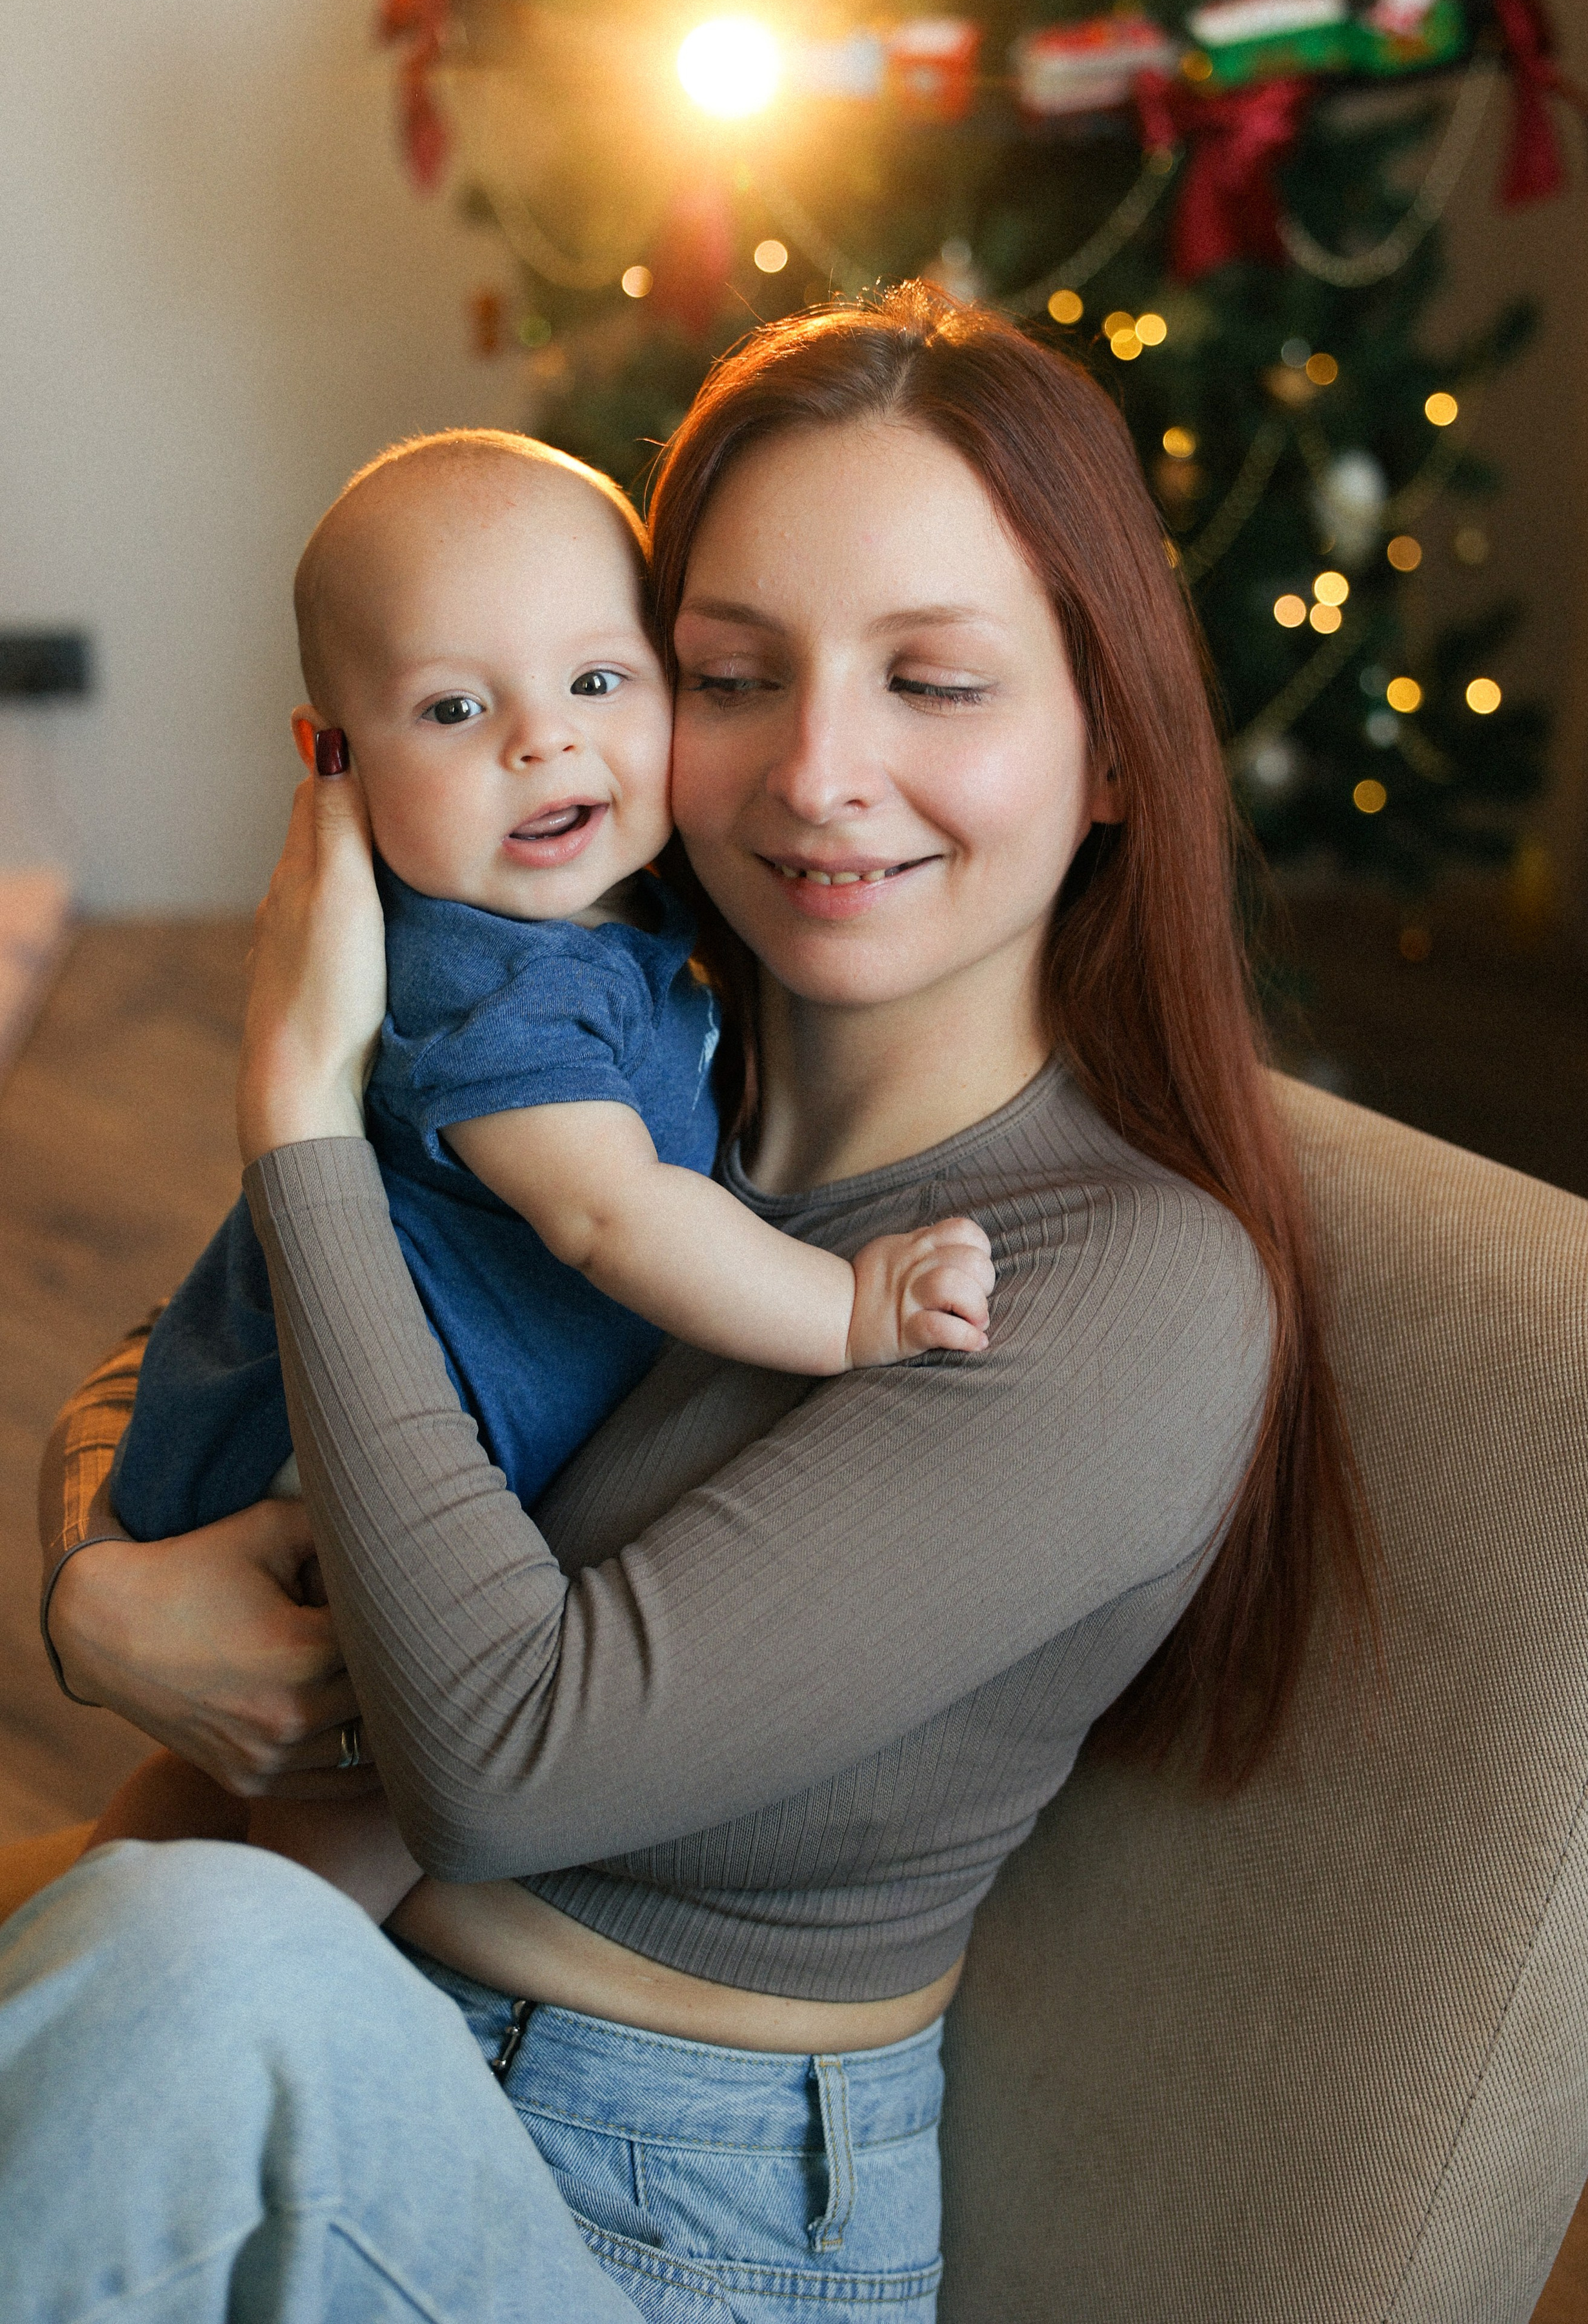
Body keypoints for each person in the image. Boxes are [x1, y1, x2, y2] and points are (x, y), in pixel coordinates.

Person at [8, 286, 1371, 2324]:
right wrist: (90, 1592)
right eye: (732, 675)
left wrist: (301, 1106)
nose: (820, 773)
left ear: (1109, 753)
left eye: (936, 682)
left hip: (659, 2223)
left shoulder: (1120, 1293)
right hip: (320, 2019)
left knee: (200, 1983)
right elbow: (218, 1346)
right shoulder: (631, 1050)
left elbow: (501, 1763)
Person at [94, 428, 992, 1921]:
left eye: (596, 680)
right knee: (342, 1831)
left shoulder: (598, 914)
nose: (541, 741)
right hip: (336, 1465)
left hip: (410, 1414)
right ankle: (266, 1972)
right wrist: (847, 1312)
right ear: (335, 758)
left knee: (195, 1837)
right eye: (453, 708)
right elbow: (607, 1209)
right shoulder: (483, 981)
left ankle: (145, 1948)